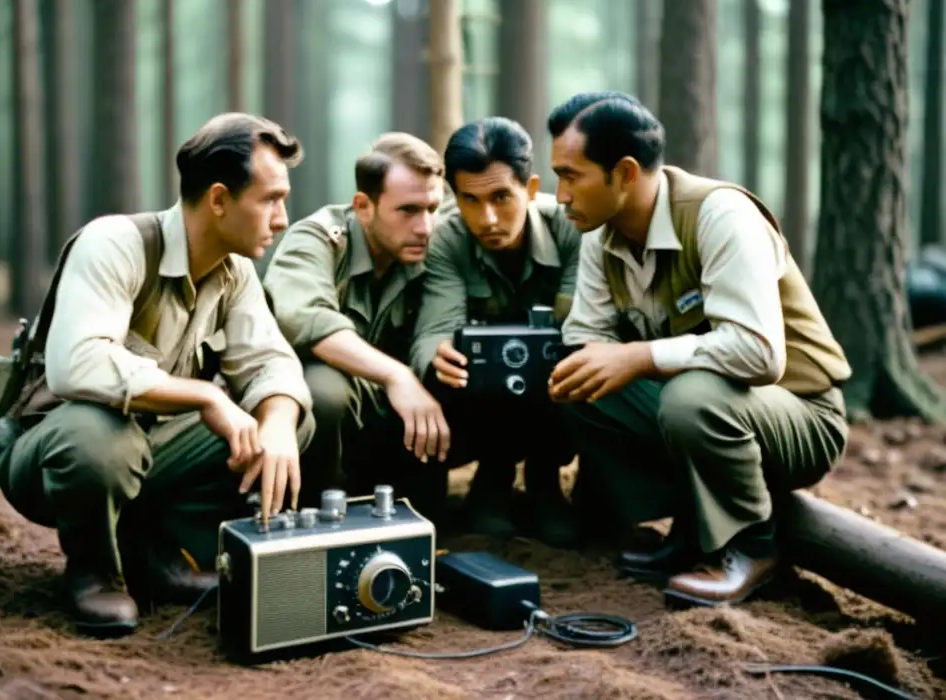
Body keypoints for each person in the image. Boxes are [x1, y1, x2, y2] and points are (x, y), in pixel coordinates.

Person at [0, 113, 316, 638]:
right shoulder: (115, 243)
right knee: (99, 437)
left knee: (287, 423)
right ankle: (94, 572)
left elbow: (271, 363)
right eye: (270, 199)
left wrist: (276, 423)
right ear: (217, 199)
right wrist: (207, 399)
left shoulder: (234, 273)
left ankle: (154, 554)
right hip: (48, 449)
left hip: (147, 448)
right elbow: (78, 364)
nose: (281, 219)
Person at [546, 92, 851, 607]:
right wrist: (599, 359)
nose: (560, 196)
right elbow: (586, 337)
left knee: (692, 397)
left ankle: (751, 545)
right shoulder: (602, 236)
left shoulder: (720, 215)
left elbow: (759, 354)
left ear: (623, 173)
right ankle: (693, 525)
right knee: (578, 382)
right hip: (701, 406)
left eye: (571, 176)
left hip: (800, 414)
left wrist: (639, 356)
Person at [409, 117, 581, 547]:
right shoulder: (448, 238)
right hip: (482, 399)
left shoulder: (570, 230)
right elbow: (434, 329)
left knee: (569, 358)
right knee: (459, 367)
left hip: (557, 389)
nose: (486, 218)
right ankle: (493, 477)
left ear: (531, 186)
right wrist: (438, 355)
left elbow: (582, 327)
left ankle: (546, 482)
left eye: (502, 197)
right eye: (470, 199)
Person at [262, 132, 449, 515]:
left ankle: (426, 508)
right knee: (324, 391)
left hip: (397, 414)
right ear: (363, 206)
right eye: (408, 210)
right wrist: (397, 376)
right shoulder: (319, 239)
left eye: (432, 208)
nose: (425, 227)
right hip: (327, 411)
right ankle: (315, 513)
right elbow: (304, 317)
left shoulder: (437, 243)